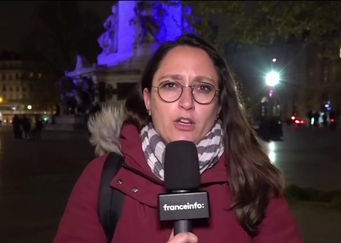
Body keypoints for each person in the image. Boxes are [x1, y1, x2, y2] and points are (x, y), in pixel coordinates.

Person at [54, 35, 302, 243]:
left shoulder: (254, 181)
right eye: (171, 85)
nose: (186, 102)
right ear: (148, 100)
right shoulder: (102, 179)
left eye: (203, 88)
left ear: (218, 106)